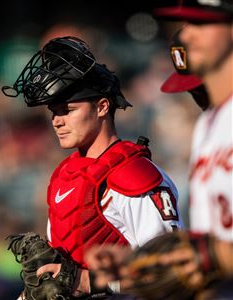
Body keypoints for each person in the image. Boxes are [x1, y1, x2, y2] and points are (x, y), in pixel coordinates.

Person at [2, 36, 183, 297]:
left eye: (67, 109)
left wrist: (89, 281)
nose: (57, 121)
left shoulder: (135, 176)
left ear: (102, 106)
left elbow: (169, 269)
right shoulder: (64, 175)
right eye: (54, 111)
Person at [86, 0, 233, 298]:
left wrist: (214, 256)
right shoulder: (208, 126)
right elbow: (208, 239)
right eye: (194, 92)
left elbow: (213, 252)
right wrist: (140, 261)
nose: (187, 35)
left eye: (201, 24)